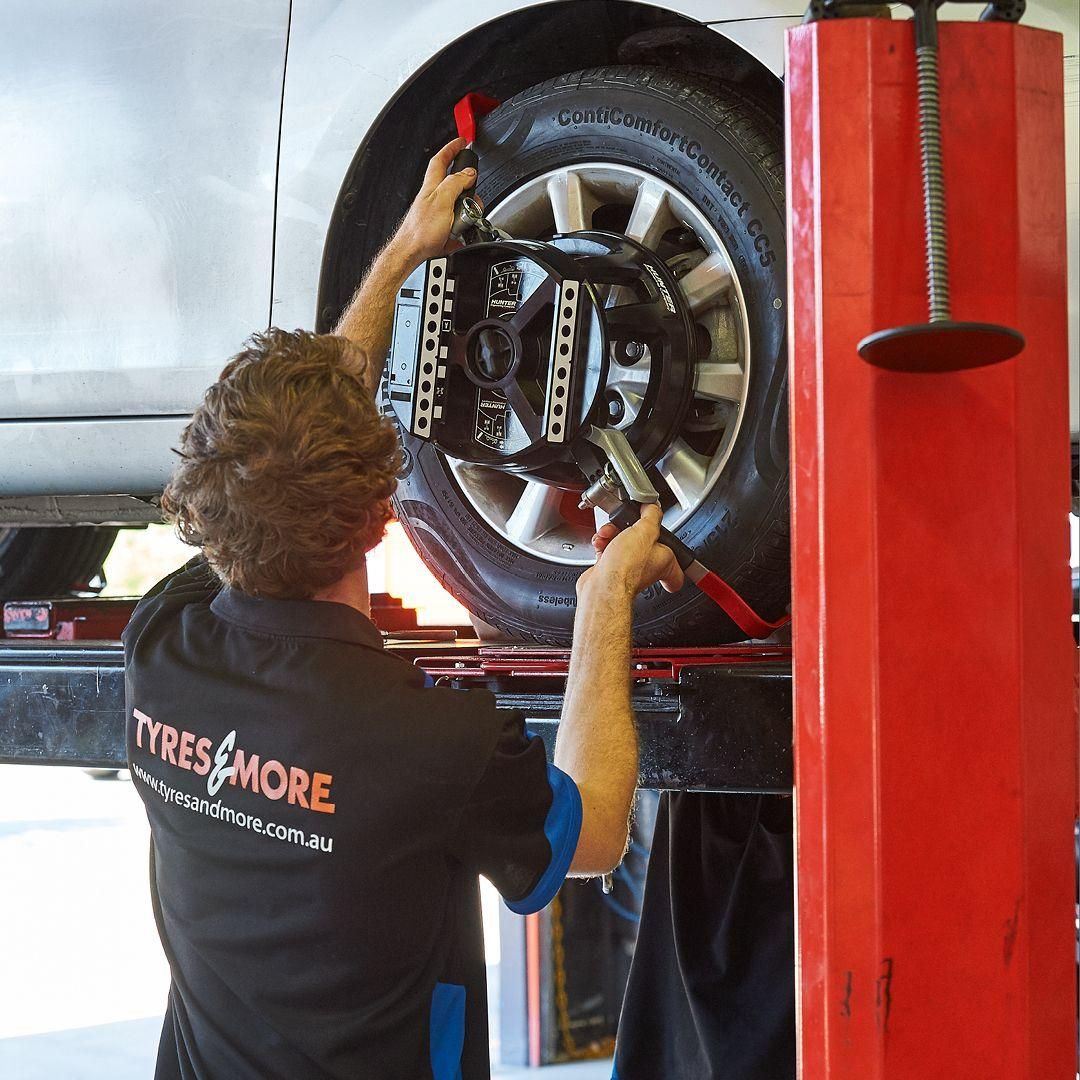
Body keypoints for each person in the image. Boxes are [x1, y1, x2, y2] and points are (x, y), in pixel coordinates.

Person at [123, 138, 682, 1080]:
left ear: (209, 503)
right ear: (386, 518)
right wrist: (604, 600)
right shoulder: (431, 743)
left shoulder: (163, 647)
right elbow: (588, 837)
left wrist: (408, 253)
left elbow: (292, 439)